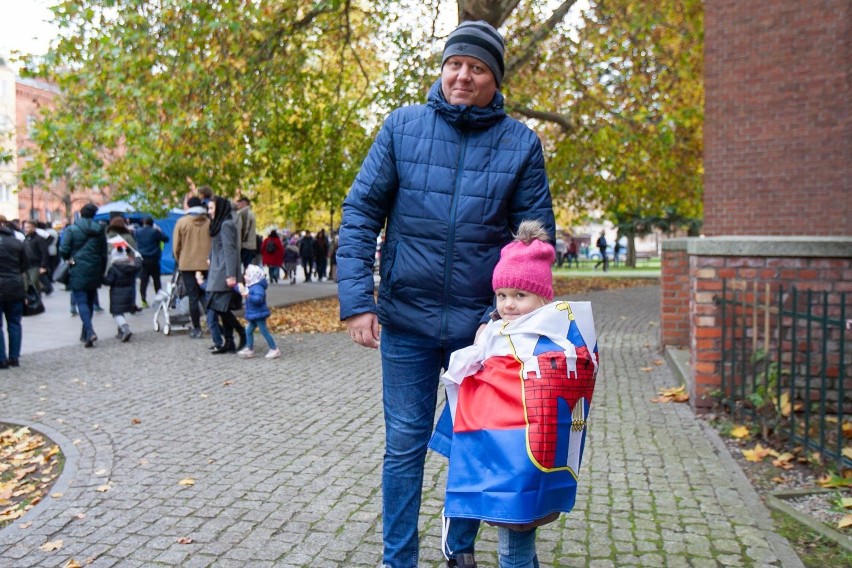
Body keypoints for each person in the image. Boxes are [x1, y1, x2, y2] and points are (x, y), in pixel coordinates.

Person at [337, 20, 555, 568]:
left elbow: (534, 243)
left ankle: (460, 549)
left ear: (494, 79)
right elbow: (361, 212)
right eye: (455, 64)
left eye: (477, 68)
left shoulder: (521, 144)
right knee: (405, 447)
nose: (463, 76)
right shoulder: (402, 127)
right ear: (442, 68)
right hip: (406, 321)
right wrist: (358, 301)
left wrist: (505, 317)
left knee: (474, 444)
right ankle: (397, 559)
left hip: (482, 329)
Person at [435, 220, 598, 568]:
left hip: (524, 454)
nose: (508, 305)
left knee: (516, 534)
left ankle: (468, 550)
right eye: (502, 295)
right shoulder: (495, 330)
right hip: (489, 442)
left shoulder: (553, 339)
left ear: (543, 297)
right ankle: (459, 551)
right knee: (488, 510)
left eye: (520, 296)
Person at [60, 202, 108, 348]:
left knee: (81, 301)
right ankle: (86, 335)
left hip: (77, 268)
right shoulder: (99, 230)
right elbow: (104, 253)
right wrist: (101, 270)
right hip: (95, 268)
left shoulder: (72, 229)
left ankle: (90, 331)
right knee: (90, 301)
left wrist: (70, 260)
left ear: (80, 213)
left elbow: (64, 250)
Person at [205, 196, 246, 354]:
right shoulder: (219, 224)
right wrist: (210, 257)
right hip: (217, 270)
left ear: (220, 208)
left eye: (211, 208)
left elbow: (230, 250)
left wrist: (231, 275)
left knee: (218, 307)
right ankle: (229, 341)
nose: (209, 212)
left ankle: (241, 332)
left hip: (223, 272)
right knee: (220, 307)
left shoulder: (226, 224)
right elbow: (218, 246)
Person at [172, 197, 212, 338]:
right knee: (205, 295)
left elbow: (176, 246)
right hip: (207, 264)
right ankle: (212, 325)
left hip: (187, 265)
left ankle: (197, 329)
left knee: (193, 297)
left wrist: (180, 260)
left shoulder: (182, 222)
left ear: (188, 206)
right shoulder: (209, 222)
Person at [0, 215, 29, 368]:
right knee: (14, 323)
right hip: (15, 285)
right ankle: (14, 357)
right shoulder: (17, 242)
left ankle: (1, 359)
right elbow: (25, 265)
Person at [236, 264, 281, 359]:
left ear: (253, 276)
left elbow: (258, 299)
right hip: (254, 314)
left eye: (247, 275)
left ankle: (274, 349)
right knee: (248, 331)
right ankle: (250, 349)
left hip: (259, 314)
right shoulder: (251, 286)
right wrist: (237, 287)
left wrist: (248, 296)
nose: (245, 277)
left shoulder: (257, 287)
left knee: (264, 331)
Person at [104, 246, 141, 342]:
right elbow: (138, 266)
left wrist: (101, 278)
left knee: (117, 313)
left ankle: (125, 328)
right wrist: (137, 257)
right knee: (120, 312)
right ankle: (121, 330)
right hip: (129, 292)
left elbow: (108, 281)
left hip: (116, 294)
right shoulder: (130, 266)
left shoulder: (113, 269)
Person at [134, 216, 169, 308]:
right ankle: (159, 298)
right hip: (154, 258)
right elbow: (166, 239)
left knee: (143, 280)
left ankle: (143, 300)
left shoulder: (138, 231)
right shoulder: (155, 232)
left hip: (143, 259)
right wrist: (159, 230)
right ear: (152, 223)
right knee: (156, 279)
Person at [22, 220, 49, 295]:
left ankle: (36, 303)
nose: (26, 229)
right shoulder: (26, 239)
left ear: (34, 228)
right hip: (27, 266)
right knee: (26, 286)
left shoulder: (39, 239)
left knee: (33, 285)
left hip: (35, 265)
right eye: (25, 227)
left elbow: (45, 253)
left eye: (28, 227)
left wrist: (43, 266)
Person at [235, 196, 257, 270]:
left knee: (245, 266)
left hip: (245, 245)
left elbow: (244, 229)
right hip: (249, 244)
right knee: (247, 266)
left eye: (239, 203)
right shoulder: (249, 213)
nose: (238, 205)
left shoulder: (244, 213)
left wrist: (240, 241)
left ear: (244, 203)